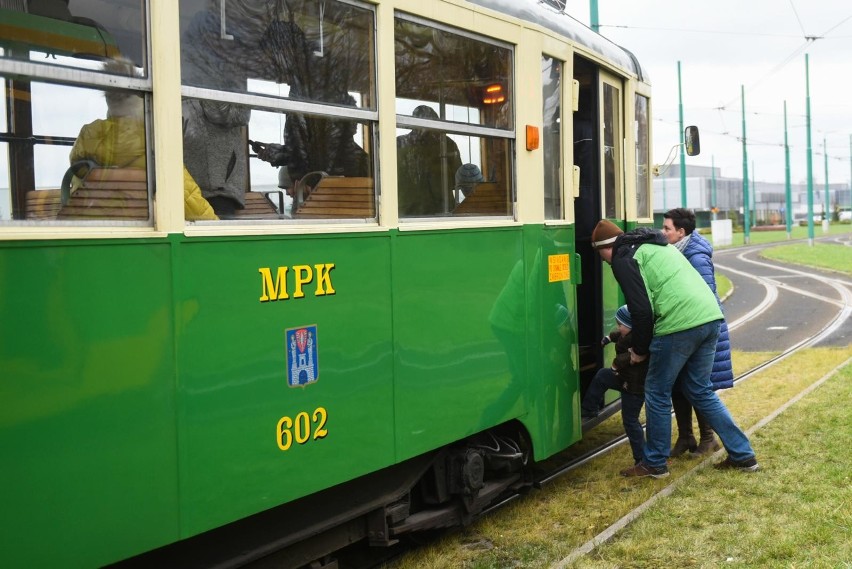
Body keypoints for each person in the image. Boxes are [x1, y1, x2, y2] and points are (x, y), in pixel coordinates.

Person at [590, 219, 758, 478]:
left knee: (656, 390)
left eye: (600, 255)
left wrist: (640, 348)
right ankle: (743, 454)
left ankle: (655, 463)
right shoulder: (655, 246)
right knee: (700, 390)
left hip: (679, 323)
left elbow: (641, 310)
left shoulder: (624, 257)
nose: (603, 261)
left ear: (607, 247)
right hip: (710, 317)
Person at [70, 60, 217, 221]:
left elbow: (76, 194)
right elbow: (190, 203)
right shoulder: (155, 144)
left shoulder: (88, 141)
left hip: (88, 229)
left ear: (109, 102)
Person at [662, 208, 734, 457]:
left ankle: (708, 439)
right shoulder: (679, 252)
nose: (663, 233)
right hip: (687, 325)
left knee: (698, 385)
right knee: (678, 384)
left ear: (681, 232)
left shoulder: (695, 256)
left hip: (700, 326)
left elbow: (705, 296)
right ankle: (686, 437)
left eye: (667, 228)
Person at [581, 305, 648, 467]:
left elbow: (627, 358)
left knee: (630, 421)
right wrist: (609, 338)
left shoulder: (638, 341)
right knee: (602, 376)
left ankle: (642, 458)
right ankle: (589, 407)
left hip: (634, 387)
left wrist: (615, 366)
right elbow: (620, 334)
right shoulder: (629, 333)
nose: (618, 327)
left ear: (631, 326)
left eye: (621, 325)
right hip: (625, 379)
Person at [396, 105, 462, 217]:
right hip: (440, 210)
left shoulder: (399, 143)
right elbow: (458, 180)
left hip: (405, 212)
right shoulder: (447, 144)